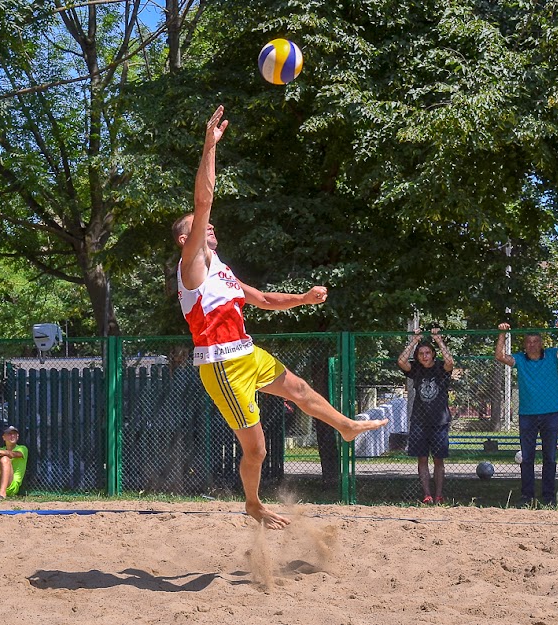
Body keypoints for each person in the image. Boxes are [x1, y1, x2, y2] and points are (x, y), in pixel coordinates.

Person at [172, 105, 387, 529]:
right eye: (200, 226)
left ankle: (344, 426)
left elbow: (266, 300)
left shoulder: (223, 272)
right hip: (222, 366)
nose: (209, 228)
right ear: (186, 237)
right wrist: (208, 148)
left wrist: (304, 299)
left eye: (209, 227)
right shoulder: (191, 263)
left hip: (247, 353)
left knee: (300, 389)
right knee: (257, 451)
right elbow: (204, 197)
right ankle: (252, 503)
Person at [495, 320, 558, 506]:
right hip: (527, 415)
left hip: (551, 413)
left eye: (535, 341)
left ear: (541, 343)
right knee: (527, 458)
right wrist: (502, 334)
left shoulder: (551, 355)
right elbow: (499, 356)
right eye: (528, 342)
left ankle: (548, 497)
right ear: (525, 345)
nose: (532, 345)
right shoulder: (520, 359)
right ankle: (527, 497)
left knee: (550, 457)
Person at [398, 328, 454, 504]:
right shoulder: (415, 369)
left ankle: (439, 494)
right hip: (419, 422)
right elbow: (401, 361)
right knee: (422, 459)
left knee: (438, 460)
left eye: (427, 353)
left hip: (439, 422)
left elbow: (450, 361)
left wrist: (438, 340)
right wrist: (414, 341)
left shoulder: (441, 368)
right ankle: (427, 495)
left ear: (433, 354)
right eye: (421, 353)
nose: (424, 356)